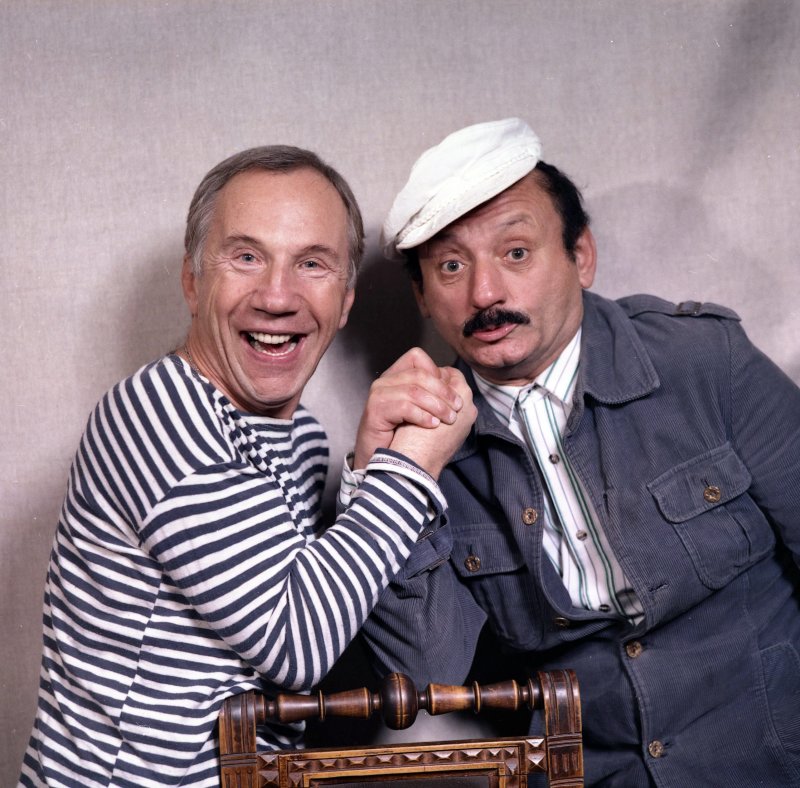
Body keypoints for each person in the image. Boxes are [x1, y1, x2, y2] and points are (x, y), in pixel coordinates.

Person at [19, 145, 476, 788]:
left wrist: (370, 465)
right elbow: (297, 643)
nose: (277, 297)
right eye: (246, 257)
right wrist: (410, 466)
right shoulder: (158, 411)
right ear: (192, 282)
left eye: (311, 263)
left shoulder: (304, 439)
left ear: (345, 301)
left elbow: (390, 653)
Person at [360, 118, 800, 786]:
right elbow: (423, 672)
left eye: (516, 252)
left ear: (581, 256)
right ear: (421, 295)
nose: (485, 293)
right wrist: (382, 476)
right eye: (451, 266)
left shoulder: (705, 361)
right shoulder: (422, 447)